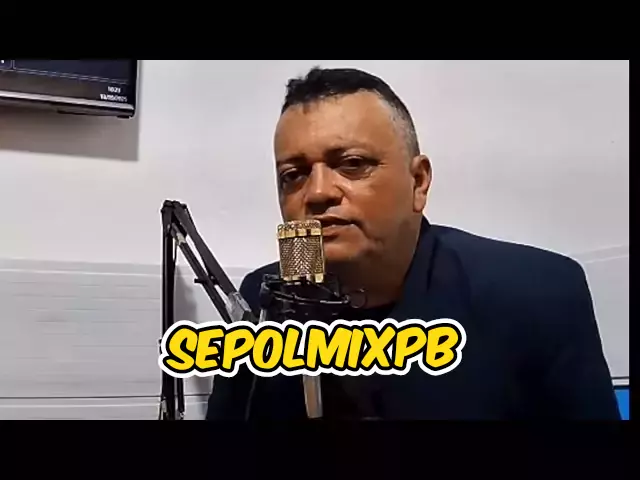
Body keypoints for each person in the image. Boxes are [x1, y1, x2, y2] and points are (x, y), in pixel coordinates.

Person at [206, 66, 620, 420]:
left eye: (352, 164)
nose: (316, 193)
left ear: (418, 182)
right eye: (293, 175)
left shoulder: (537, 295)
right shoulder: (263, 301)